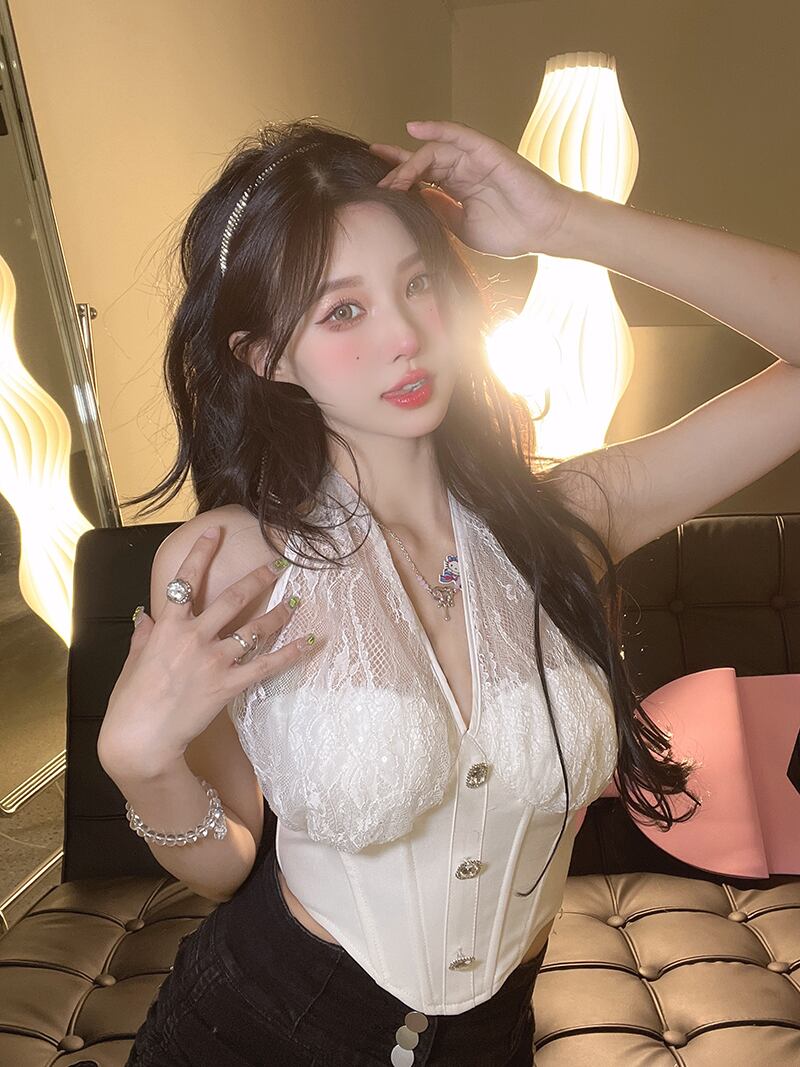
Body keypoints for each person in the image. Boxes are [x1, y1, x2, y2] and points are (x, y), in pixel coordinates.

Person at [98, 113, 800, 1065]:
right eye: (343, 312)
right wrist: (143, 765)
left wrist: (562, 220)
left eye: (418, 283)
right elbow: (227, 861)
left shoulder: (570, 520)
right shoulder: (226, 560)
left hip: (492, 1041)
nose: (407, 336)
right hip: (260, 1029)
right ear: (266, 356)